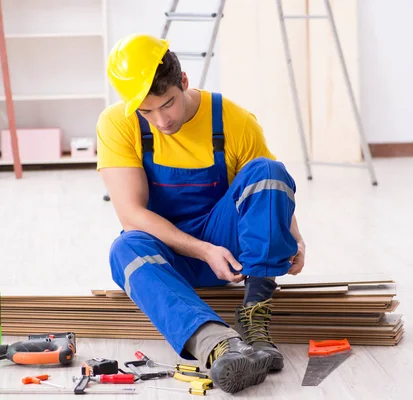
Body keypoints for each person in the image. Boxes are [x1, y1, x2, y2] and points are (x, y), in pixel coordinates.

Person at [96, 33, 306, 393]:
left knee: (268, 169)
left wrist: (294, 235)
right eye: (146, 111)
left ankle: (254, 320)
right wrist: (203, 250)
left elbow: (269, 189)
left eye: (167, 104)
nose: (160, 121)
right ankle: (220, 346)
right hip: (170, 257)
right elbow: (131, 214)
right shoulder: (118, 123)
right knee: (124, 248)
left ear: (184, 82)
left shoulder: (233, 119)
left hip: (231, 254)